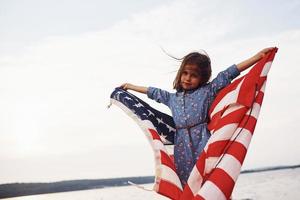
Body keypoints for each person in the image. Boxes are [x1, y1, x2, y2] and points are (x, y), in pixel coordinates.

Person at [120, 47, 275, 186]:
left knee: (207, 176)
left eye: (193, 75)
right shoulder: (171, 98)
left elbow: (228, 74)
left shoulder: (208, 91)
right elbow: (152, 92)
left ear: (202, 78)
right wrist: (130, 86)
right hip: (181, 144)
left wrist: (256, 58)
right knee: (186, 181)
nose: (187, 78)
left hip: (202, 139)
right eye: (185, 73)